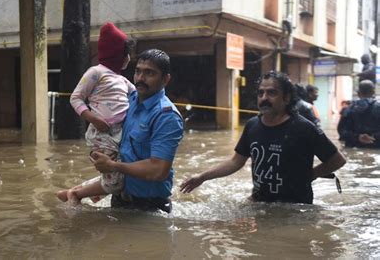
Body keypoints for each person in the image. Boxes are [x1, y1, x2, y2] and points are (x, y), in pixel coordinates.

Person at [180, 71, 346, 204]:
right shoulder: (252, 125)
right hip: (260, 204)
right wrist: (202, 177)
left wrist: (311, 175)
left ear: (286, 98)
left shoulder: (303, 128)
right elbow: (235, 162)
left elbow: (338, 160)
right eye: (261, 93)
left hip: (296, 209)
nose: (264, 98)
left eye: (271, 93)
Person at [90, 49, 184, 213]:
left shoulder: (166, 116)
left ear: (165, 79)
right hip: (119, 200)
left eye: (149, 73)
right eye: (138, 71)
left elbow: (158, 169)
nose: (140, 78)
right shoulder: (128, 102)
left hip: (151, 209)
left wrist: (112, 165)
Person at [56, 22, 135, 204]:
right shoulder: (96, 72)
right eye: (126, 53)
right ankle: (75, 196)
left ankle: (73, 192)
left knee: (119, 176)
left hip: (119, 134)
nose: (129, 58)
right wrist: (94, 118)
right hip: (101, 134)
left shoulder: (123, 80)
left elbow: (137, 97)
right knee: (116, 183)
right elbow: (75, 98)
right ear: (116, 54)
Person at [337, 80, 380, 148]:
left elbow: (341, 131)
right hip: (375, 147)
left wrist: (358, 137)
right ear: (373, 92)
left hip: (353, 146)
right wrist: (372, 137)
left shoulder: (348, 109)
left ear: (358, 93)